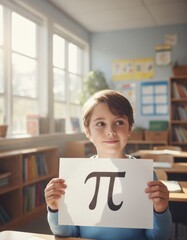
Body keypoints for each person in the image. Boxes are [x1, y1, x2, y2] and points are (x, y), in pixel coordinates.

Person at [44, 89, 172, 240]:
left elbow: (157, 237)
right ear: (88, 131)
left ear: (130, 128)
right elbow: (68, 233)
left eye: (119, 122)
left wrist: (161, 210)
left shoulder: (145, 174)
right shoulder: (77, 175)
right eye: (100, 124)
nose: (110, 131)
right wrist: (55, 208)